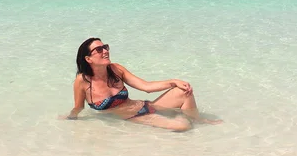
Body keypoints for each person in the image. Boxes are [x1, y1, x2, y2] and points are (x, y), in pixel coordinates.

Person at [62, 37, 222, 131]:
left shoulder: (116, 69)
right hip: (135, 116)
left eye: (105, 47)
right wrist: (71, 119)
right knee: (183, 126)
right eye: (98, 50)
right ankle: (187, 118)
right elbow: (79, 107)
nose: (105, 51)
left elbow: (146, 87)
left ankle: (197, 119)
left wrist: (173, 81)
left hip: (146, 105)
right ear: (88, 59)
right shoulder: (82, 81)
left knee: (183, 90)